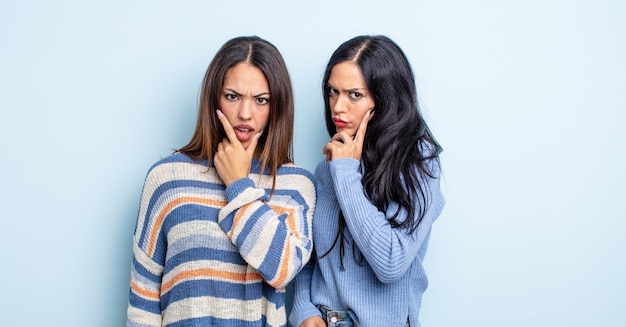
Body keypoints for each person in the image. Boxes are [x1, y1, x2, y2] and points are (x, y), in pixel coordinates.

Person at [126, 36, 316, 327]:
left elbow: (283, 269)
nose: (245, 113)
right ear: (214, 98)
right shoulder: (167, 178)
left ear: (277, 106)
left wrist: (239, 183)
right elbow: (143, 298)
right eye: (232, 96)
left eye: (261, 100)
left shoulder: (296, 185)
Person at [289, 35, 445, 327]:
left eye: (354, 95)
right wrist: (303, 310)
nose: (337, 107)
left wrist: (347, 172)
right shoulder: (329, 167)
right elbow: (310, 257)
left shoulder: (419, 163)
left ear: (385, 98)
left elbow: (390, 261)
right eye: (333, 92)